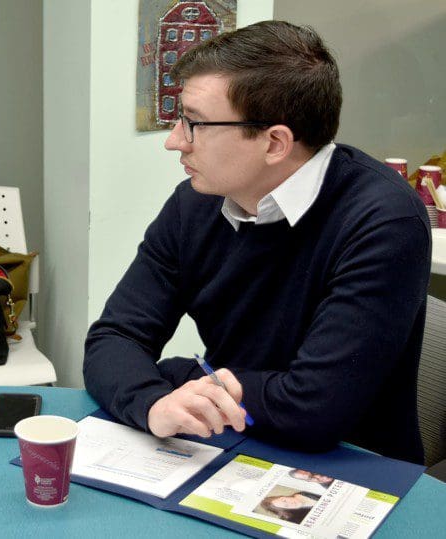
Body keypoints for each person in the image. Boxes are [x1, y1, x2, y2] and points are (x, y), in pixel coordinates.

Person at [83, 21, 429, 464]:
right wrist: (155, 403)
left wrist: (176, 372)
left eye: (195, 124)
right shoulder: (195, 204)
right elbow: (114, 337)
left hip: (352, 469)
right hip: (232, 443)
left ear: (275, 143)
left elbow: (315, 410)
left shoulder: (384, 220)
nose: (174, 141)